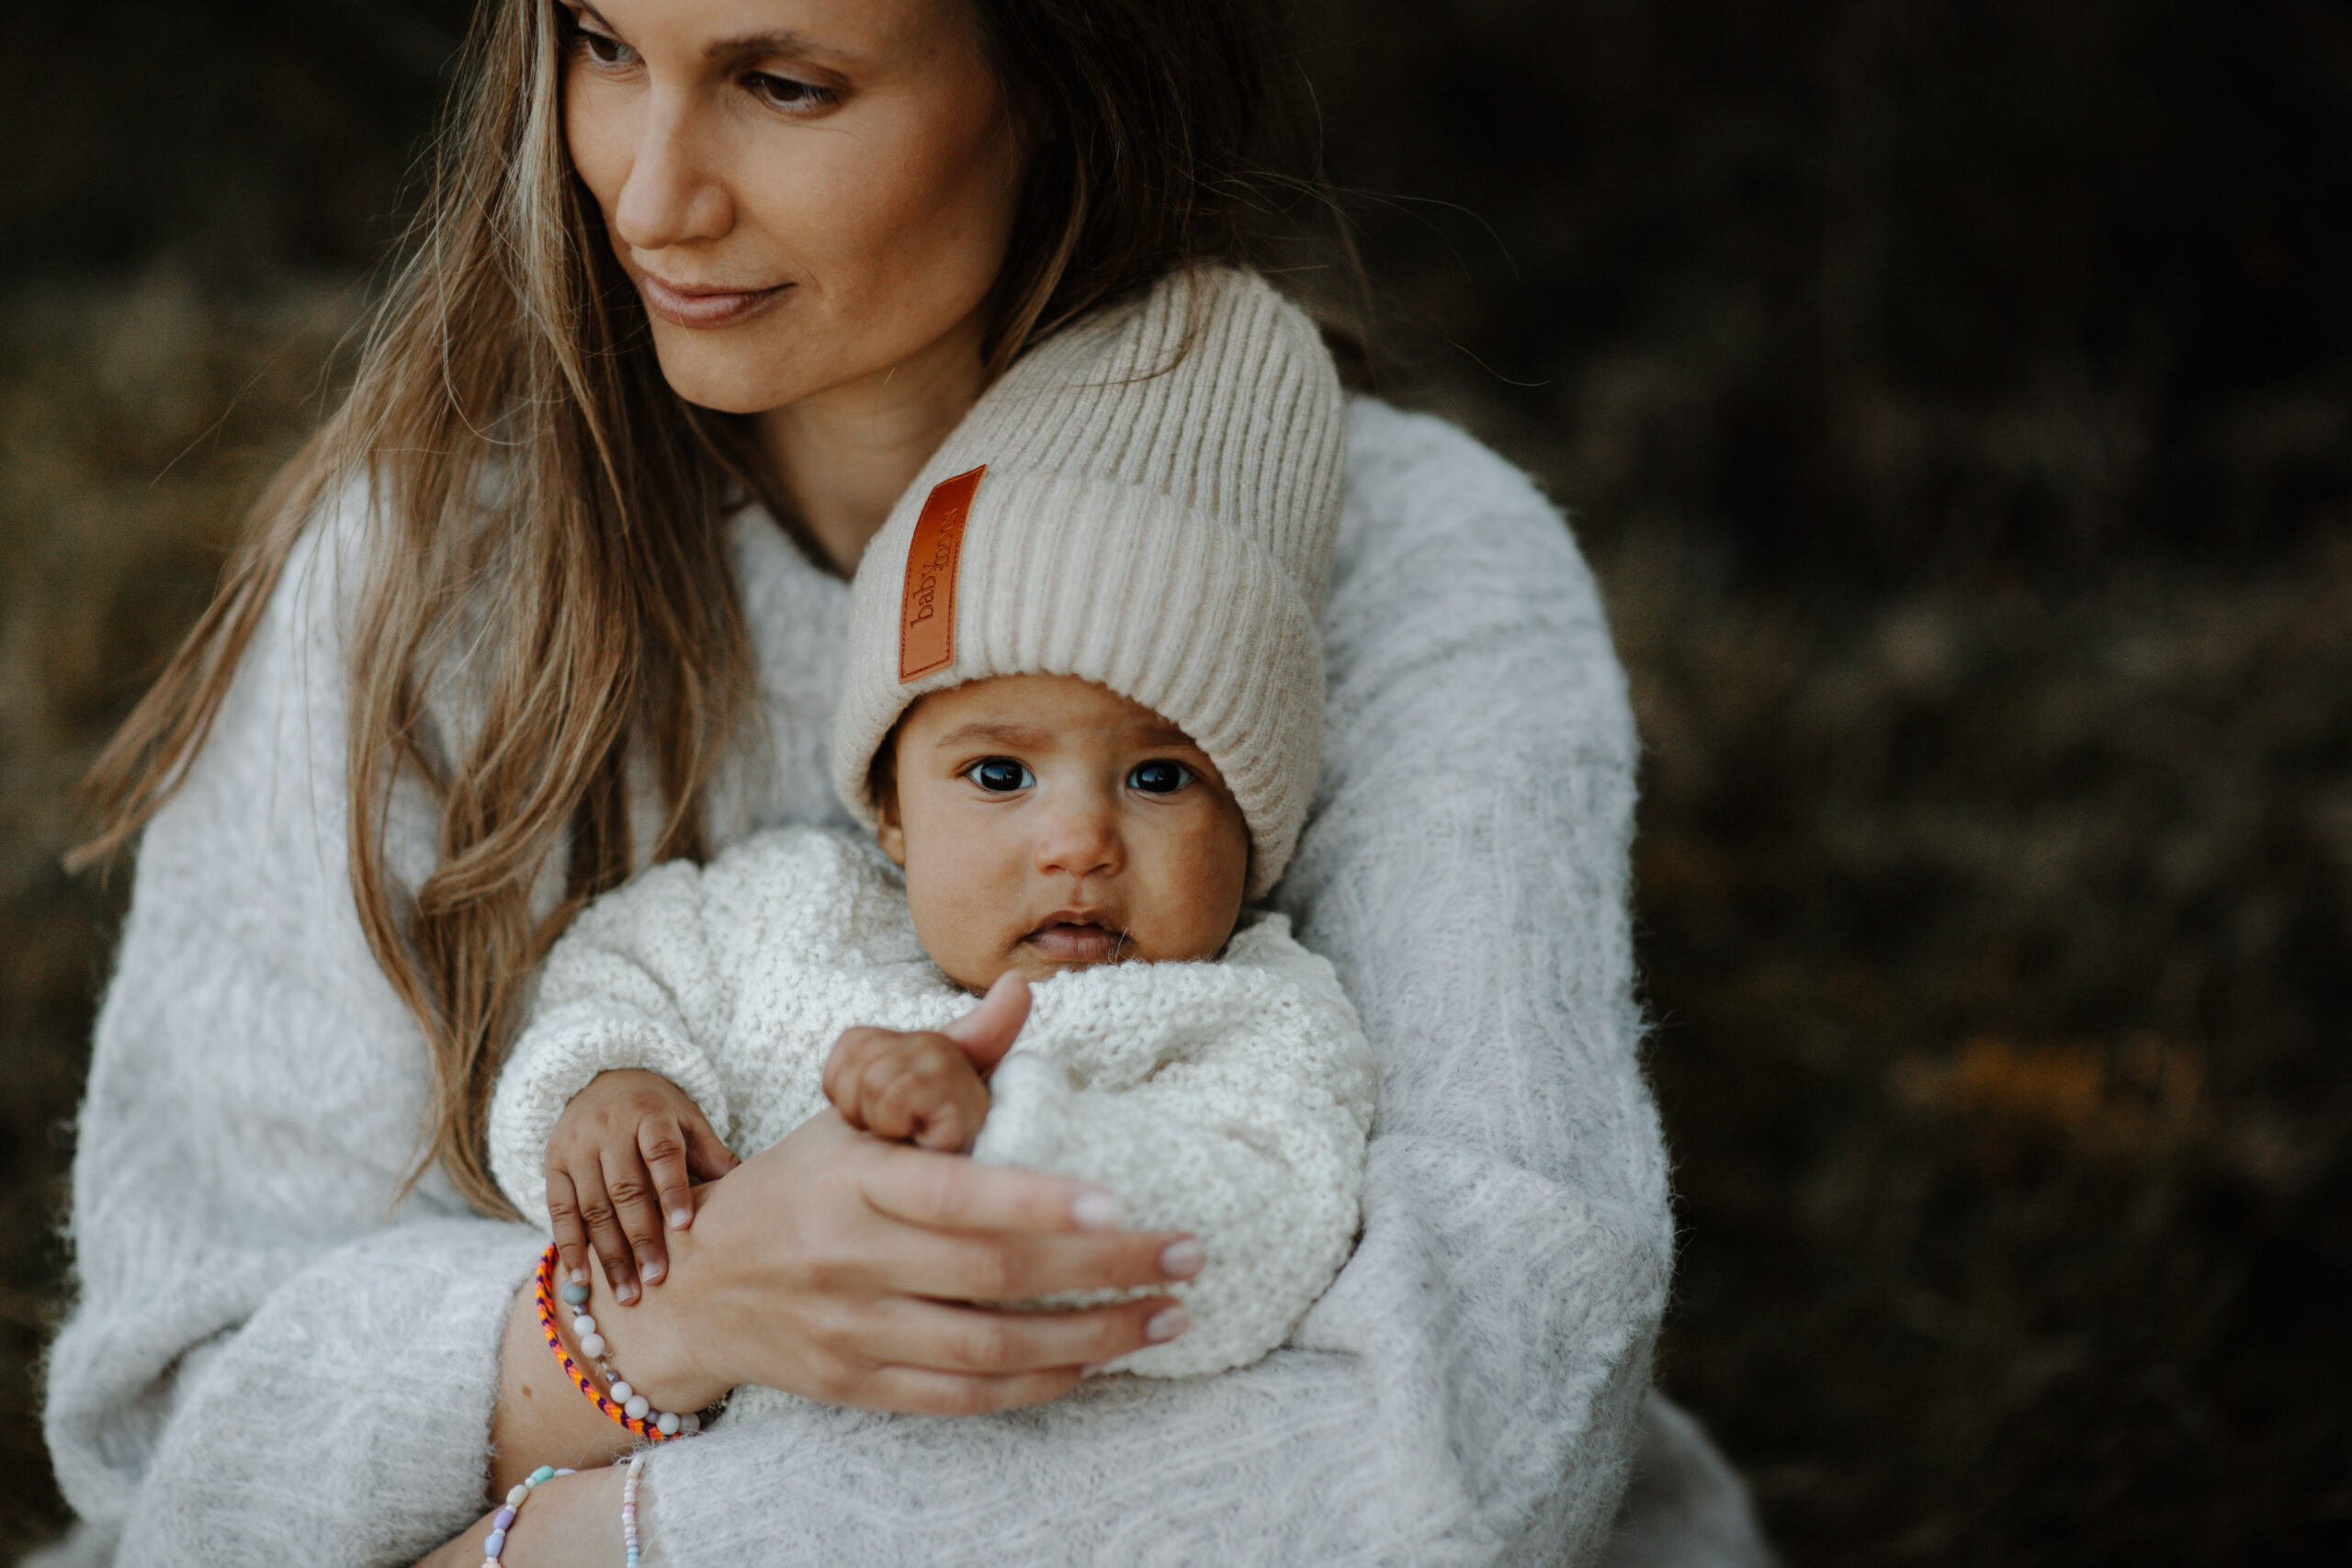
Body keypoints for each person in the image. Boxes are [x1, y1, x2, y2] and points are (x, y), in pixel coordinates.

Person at [38, 0, 1772, 1563]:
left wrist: (592, 1547)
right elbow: (181, 1432)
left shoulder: (1414, 565)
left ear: (1061, 74)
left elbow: (1473, 1434)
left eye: (783, 84)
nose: (648, 198)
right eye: (601, 45)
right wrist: (681, 1316)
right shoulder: (428, 573)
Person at [492, 267, 1376, 1409]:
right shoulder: (792, 907)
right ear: (895, 808)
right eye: (998, 774)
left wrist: (997, 1141)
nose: (1077, 842)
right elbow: (615, 966)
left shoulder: (1252, 1015)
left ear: (1254, 821)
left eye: (1160, 776)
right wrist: (608, 1083)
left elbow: (1265, 1233)